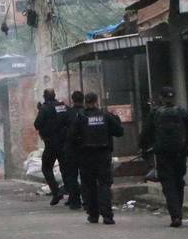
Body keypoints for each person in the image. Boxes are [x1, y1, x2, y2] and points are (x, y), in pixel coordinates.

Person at [139, 85, 188, 227]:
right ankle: (179, 212)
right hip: (180, 153)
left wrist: (144, 148)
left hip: (162, 154)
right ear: (174, 97)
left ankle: (175, 215)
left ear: (161, 98)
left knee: (168, 183)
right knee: (178, 182)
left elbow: (146, 133)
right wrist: (185, 144)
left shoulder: (155, 113)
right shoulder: (182, 112)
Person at [68, 91, 124, 224]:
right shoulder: (105, 115)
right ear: (96, 101)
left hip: (86, 156)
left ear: (86, 102)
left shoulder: (80, 117)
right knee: (104, 185)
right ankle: (107, 216)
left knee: (89, 186)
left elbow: (71, 136)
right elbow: (119, 132)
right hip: (103, 155)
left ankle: (93, 215)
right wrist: (116, 120)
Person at [34, 89, 72, 205]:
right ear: (54, 96)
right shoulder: (63, 106)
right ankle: (72, 196)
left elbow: (37, 124)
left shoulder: (45, 108)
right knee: (66, 169)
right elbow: (70, 118)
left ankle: (56, 192)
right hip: (64, 144)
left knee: (46, 168)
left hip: (51, 144)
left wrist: (40, 110)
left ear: (45, 97)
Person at [59, 90, 85, 210]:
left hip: (71, 149)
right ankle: (87, 200)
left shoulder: (68, 113)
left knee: (72, 175)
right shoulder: (87, 113)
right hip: (85, 148)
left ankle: (75, 201)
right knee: (86, 175)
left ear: (72, 100)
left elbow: (61, 129)